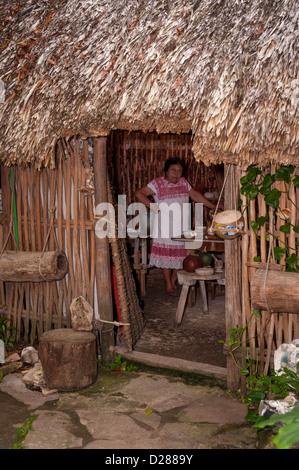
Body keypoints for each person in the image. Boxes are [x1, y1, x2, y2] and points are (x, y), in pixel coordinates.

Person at [135, 157, 217, 293]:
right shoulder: (157, 183)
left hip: (182, 226)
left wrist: (213, 206)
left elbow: (196, 196)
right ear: (166, 170)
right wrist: (154, 207)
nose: (176, 173)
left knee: (183, 254)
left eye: (179, 171)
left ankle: (173, 280)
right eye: (173, 170)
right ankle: (168, 283)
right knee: (165, 255)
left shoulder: (184, 183)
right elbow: (139, 194)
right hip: (164, 226)